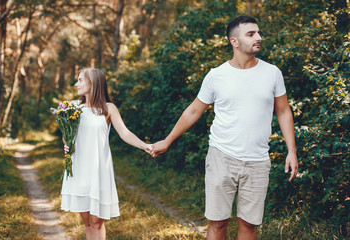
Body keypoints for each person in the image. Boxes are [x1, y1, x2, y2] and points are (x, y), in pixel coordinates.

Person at [150, 16, 298, 240]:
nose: (258, 38)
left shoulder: (272, 73)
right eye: (250, 34)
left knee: (249, 225)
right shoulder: (216, 75)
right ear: (234, 41)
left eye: (258, 33)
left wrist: (291, 151)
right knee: (218, 223)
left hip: (258, 160)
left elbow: (284, 111)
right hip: (222, 156)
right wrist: (167, 140)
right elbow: (193, 111)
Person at [61, 68, 152, 240]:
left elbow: (124, 133)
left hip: (98, 170)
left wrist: (145, 146)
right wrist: (66, 145)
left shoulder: (108, 108)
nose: (76, 84)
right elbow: (67, 138)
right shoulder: (72, 107)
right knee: (87, 221)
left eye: (80, 80)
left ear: (93, 83)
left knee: (97, 222)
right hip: (79, 169)